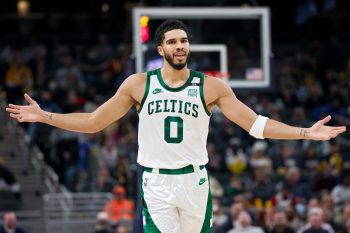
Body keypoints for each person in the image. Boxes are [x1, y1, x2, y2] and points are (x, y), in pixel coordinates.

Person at [5, 20, 346, 233]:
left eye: (183, 40)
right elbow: (95, 122)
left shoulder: (211, 86)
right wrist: (45, 116)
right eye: (172, 41)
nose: (180, 45)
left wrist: (305, 132)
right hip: (156, 181)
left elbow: (255, 125)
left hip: (195, 180)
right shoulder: (139, 84)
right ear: (160, 48)